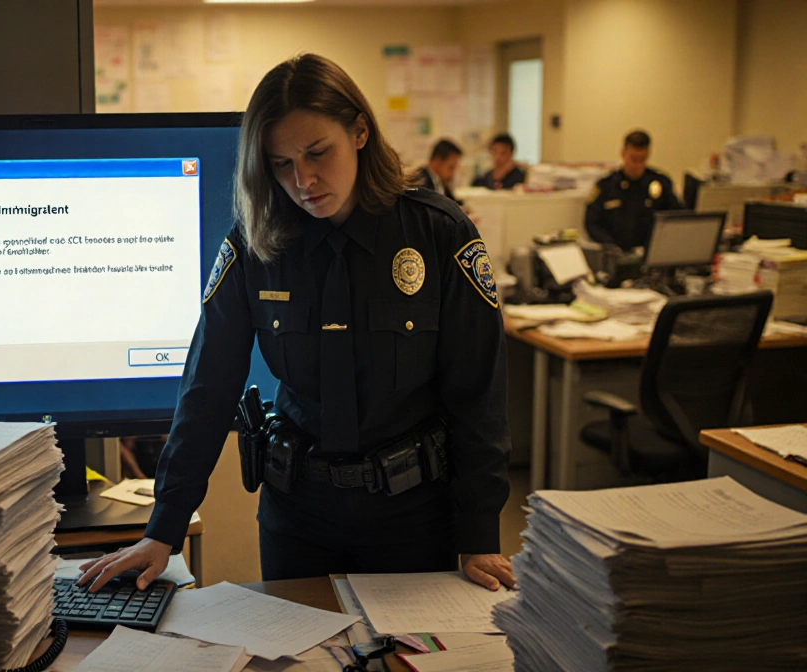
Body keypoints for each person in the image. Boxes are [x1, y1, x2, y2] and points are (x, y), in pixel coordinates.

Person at [78, 54, 513, 594]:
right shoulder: (255, 244)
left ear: (359, 132)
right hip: (298, 517)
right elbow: (208, 388)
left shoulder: (439, 234)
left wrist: (480, 534)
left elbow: (479, 398)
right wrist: (162, 529)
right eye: (281, 163)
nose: (302, 180)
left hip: (415, 517)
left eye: (316, 153)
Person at [585, 130, 682, 250]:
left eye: (642, 160)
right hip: (616, 254)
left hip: (650, 252)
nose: (636, 165)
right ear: (623, 154)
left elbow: (677, 217)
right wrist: (610, 245)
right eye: (633, 159)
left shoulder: (660, 183)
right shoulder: (607, 186)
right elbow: (591, 223)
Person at [415, 139, 464, 203]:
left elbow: (453, 202)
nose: (453, 173)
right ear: (437, 162)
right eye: (451, 167)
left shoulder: (439, 181)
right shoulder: (421, 182)